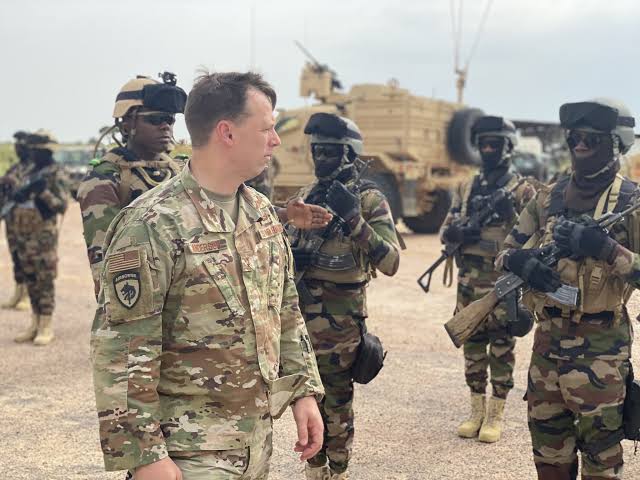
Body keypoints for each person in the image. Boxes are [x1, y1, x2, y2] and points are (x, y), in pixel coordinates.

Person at [90, 71, 325, 480]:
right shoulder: (152, 223)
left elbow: (285, 310)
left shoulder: (261, 213)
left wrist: (303, 391)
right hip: (188, 454)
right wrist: (145, 455)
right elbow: (122, 348)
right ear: (227, 133)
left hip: (255, 444)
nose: (276, 140)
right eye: (266, 129)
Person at [498, 99, 638, 479]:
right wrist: (520, 262)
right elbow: (506, 251)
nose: (580, 146)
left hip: (601, 354)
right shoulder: (548, 197)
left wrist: (608, 249)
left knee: (601, 463)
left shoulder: (631, 202)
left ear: (615, 143)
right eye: (574, 138)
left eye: (591, 139)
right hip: (547, 351)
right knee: (549, 461)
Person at [287, 113, 401, 479]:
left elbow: (391, 261)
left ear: (349, 154)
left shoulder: (368, 199)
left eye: (330, 152)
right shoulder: (307, 195)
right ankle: (314, 467)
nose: (320, 159)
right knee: (306, 400)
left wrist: (354, 220)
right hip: (302, 321)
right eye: (316, 151)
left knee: (337, 405)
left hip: (341, 327)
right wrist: (291, 255)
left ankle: (338, 471)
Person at [440, 116, 536, 443]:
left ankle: (496, 414)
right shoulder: (467, 187)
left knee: (502, 346)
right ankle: (475, 410)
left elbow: (536, 237)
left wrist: (511, 218)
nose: (488, 149)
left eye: (495, 143)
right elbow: (446, 228)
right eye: (483, 144)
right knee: (472, 345)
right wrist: (456, 232)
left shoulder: (523, 189)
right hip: (469, 282)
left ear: (509, 147)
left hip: (503, 283)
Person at [77, 72, 188, 297]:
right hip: (143, 296)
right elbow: (105, 263)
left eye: (170, 120)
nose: (165, 126)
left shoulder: (182, 170)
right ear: (127, 123)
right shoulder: (104, 178)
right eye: (155, 119)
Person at [10, 130, 68, 345]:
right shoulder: (29, 171)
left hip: (43, 236)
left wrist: (43, 192)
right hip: (23, 233)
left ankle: (46, 324)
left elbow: (61, 205)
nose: (31, 153)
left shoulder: (55, 172)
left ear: (46, 151)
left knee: (44, 279)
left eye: (35, 150)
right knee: (30, 277)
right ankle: (34, 323)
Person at [1, 130, 32, 310]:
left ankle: (27, 295)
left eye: (21, 146)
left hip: (28, 222)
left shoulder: (35, 169)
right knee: (16, 256)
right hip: (12, 220)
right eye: (16, 146)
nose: (17, 149)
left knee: (28, 257)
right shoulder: (14, 168)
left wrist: (14, 182)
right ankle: (18, 291)